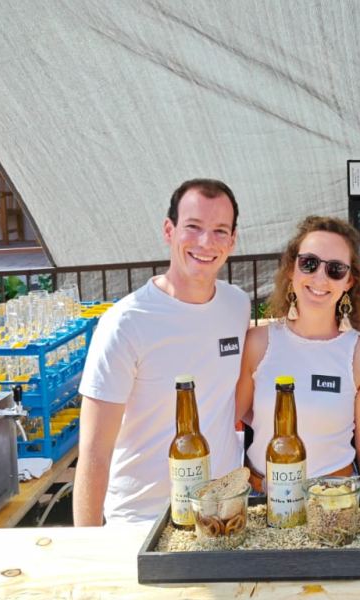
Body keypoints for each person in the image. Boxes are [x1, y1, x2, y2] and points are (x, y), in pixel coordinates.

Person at [74, 179, 250, 526]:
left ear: (232, 240)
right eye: (193, 227)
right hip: (143, 520)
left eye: (219, 231)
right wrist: (88, 548)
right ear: (169, 230)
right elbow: (94, 453)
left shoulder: (237, 305)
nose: (205, 242)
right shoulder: (126, 323)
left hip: (223, 515)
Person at [235, 216, 360, 494]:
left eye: (336, 269)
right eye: (309, 263)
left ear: (349, 281)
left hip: (335, 504)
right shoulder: (257, 344)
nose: (320, 277)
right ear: (292, 269)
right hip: (261, 499)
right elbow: (230, 416)